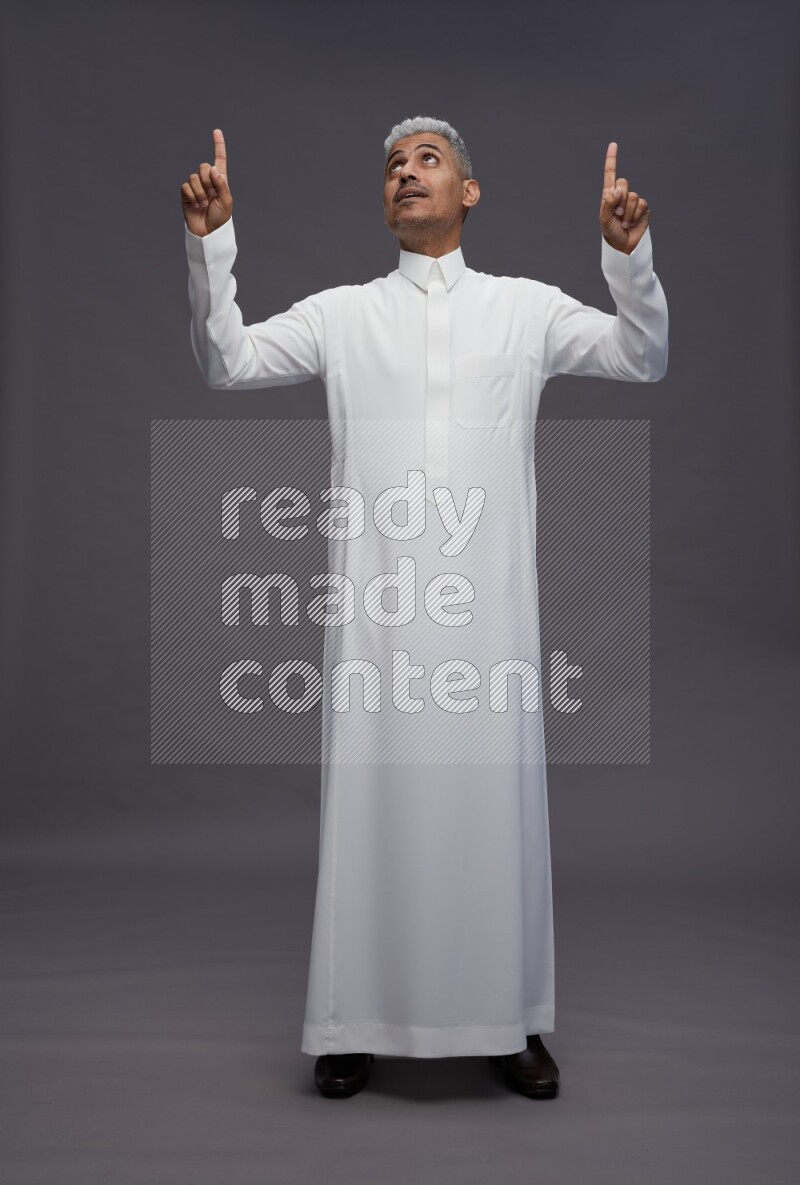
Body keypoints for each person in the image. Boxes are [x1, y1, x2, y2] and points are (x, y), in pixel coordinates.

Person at [181, 116, 668, 1101]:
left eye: (427, 160)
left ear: (469, 192)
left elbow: (638, 355)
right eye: (393, 166)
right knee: (374, 811)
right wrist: (212, 246)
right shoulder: (343, 315)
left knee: (493, 812)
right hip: (378, 614)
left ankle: (507, 1021)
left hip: (489, 621)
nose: (406, 174)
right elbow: (225, 360)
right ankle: (350, 1022)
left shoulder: (522, 310)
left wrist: (629, 262)